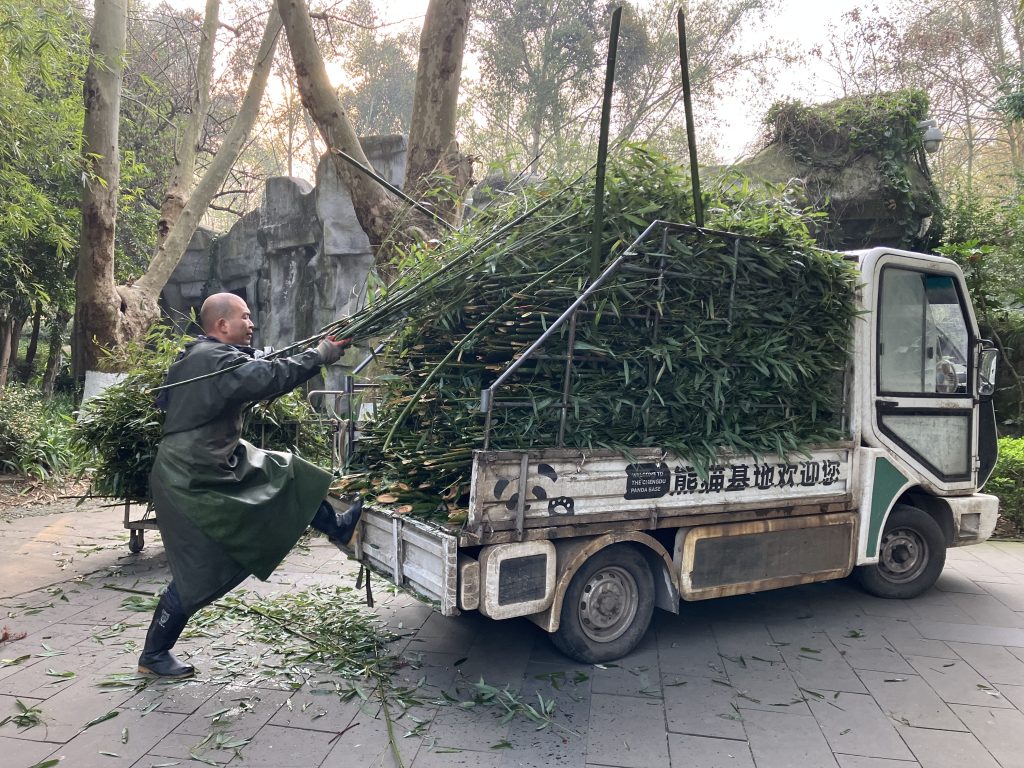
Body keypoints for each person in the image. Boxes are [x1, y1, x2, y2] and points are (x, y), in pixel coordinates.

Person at [138, 292, 361, 678]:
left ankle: (336, 527)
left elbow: (258, 372)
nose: (251, 323)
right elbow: (268, 376)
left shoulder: (200, 356)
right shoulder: (213, 359)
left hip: (213, 459)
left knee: (284, 470)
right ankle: (154, 655)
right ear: (222, 325)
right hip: (194, 473)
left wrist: (316, 347)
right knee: (199, 567)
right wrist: (321, 355)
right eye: (244, 317)